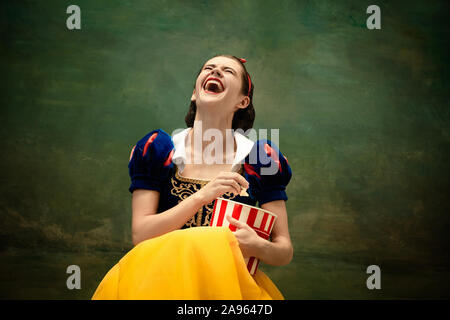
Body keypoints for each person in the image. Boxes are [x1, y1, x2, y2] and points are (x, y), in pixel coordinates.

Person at [92, 55, 293, 300]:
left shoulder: (261, 159)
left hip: (227, 290)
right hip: (157, 284)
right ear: (194, 94)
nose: (216, 71)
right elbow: (141, 234)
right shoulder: (159, 150)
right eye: (209, 68)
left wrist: (258, 246)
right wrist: (202, 196)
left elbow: (284, 251)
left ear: (243, 101)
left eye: (227, 71)